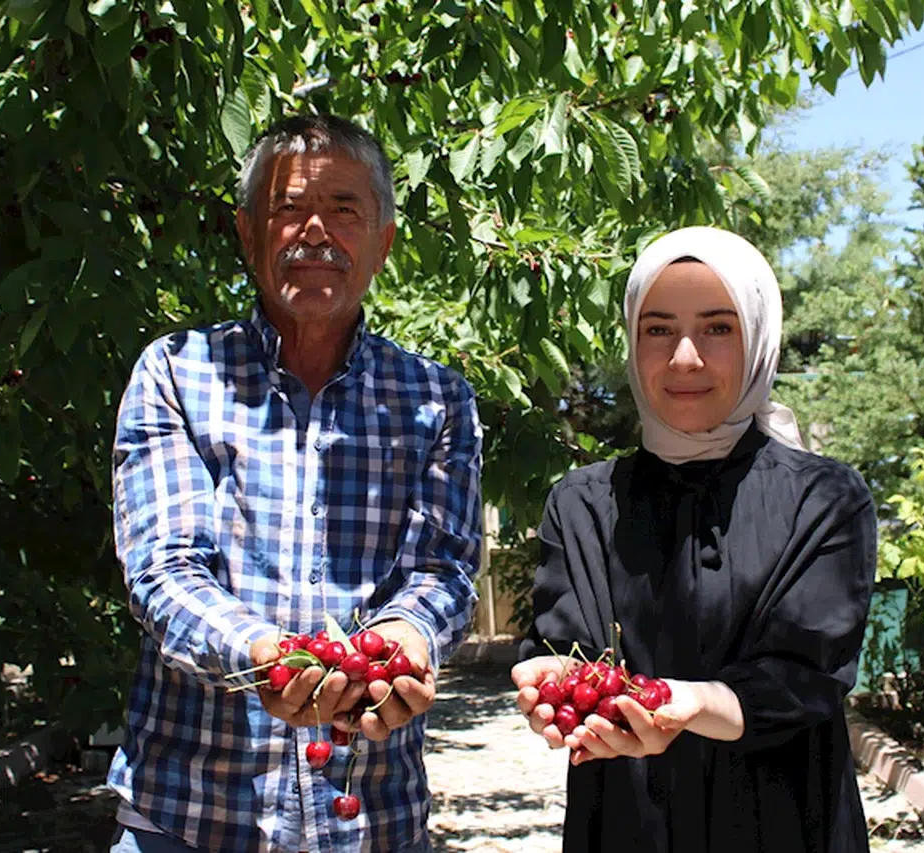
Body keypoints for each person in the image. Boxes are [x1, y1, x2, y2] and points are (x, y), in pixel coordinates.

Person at [107, 114, 483, 853]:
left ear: (384, 241)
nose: (316, 231)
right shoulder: (178, 373)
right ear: (247, 235)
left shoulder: (437, 398)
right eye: (287, 210)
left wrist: (408, 634)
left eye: (345, 209)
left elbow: (444, 569)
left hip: (371, 818)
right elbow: (163, 566)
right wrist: (260, 655)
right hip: (188, 816)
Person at [511, 226, 877, 852]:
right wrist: (546, 679)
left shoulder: (826, 499)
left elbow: (807, 674)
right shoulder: (583, 504)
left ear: (759, 337)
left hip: (787, 824)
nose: (685, 357)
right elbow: (562, 647)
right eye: (658, 329)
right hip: (627, 826)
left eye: (718, 327)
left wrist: (690, 706)